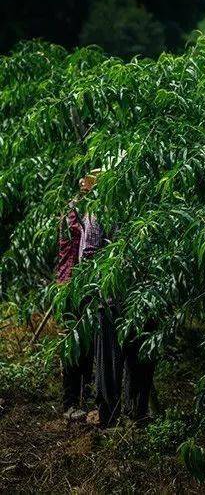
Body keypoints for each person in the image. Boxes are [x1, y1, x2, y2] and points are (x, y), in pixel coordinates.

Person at [55, 170, 102, 422]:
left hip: (74, 283)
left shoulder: (79, 210)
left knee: (84, 345)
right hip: (73, 285)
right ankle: (70, 402)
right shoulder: (77, 212)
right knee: (75, 344)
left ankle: (79, 400)